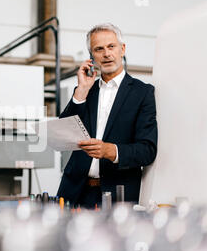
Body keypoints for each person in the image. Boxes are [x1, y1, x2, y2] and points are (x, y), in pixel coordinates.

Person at [57, 23, 157, 208]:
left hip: (118, 195)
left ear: (122, 49)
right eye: (98, 49)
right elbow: (63, 135)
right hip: (75, 193)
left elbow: (148, 150)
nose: (106, 53)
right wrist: (81, 92)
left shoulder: (142, 93)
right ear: (91, 56)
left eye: (111, 46)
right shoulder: (86, 90)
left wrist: (112, 151)